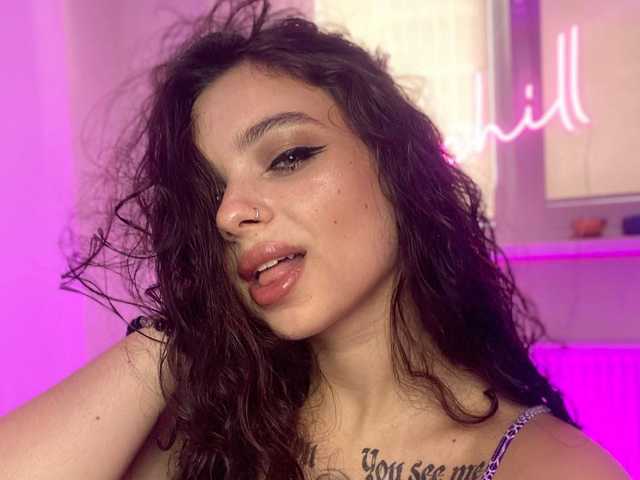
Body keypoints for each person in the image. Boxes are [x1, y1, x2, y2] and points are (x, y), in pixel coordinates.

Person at [0, 1, 631, 479]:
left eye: (288, 157)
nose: (229, 215)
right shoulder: (207, 443)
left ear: (397, 168)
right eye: (210, 196)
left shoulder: (543, 466)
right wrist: (182, 330)